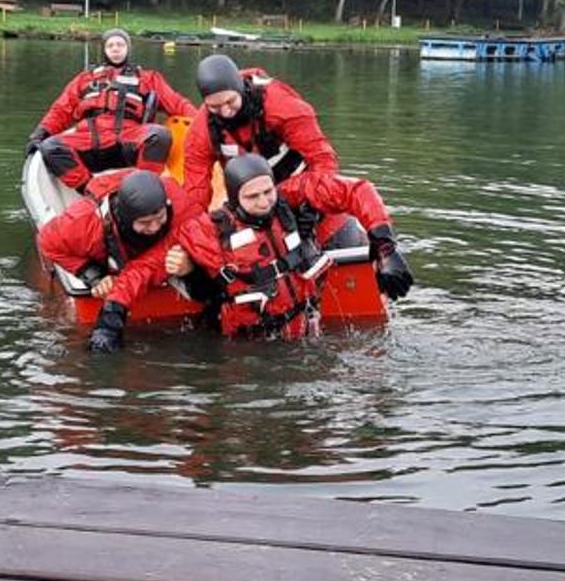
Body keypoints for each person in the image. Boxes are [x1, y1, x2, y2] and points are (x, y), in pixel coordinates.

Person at [177, 155, 413, 340]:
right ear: (234, 198)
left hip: (303, 331)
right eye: (252, 197)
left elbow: (356, 190)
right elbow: (175, 266)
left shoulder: (290, 198)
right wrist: (187, 269)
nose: (263, 202)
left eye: (268, 192)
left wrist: (386, 248)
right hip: (246, 344)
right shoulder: (208, 230)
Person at [37, 170, 197, 353]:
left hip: (142, 268)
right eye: (145, 222)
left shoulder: (182, 206)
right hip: (116, 252)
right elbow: (47, 242)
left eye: (160, 218)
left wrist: (190, 265)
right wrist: (94, 275)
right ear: (125, 219)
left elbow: (152, 263)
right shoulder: (83, 224)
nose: (154, 227)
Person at [28, 29, 198, 190]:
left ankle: (145, 186)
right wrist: (40, 133)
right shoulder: (85, 79)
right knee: (50, 147)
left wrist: (201, 121)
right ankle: (89, 189)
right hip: (90, 141)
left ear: (128, 49)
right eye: (110, 45)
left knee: (160, 135)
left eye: (120, 45)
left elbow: (178, 103)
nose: (115, 49)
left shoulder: (147, 78)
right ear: (104, 50)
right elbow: (61, 110)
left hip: (128, 141)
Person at [180, 55, 340, 211]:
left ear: (240, 89)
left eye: (230, 101)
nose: (225, 112)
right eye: (214, 107)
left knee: (335, 228)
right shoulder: (202, 129)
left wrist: (315, 204)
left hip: (297, 189)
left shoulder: (281, 105)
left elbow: (322, 159)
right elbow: (195, 190)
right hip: (248, 204)